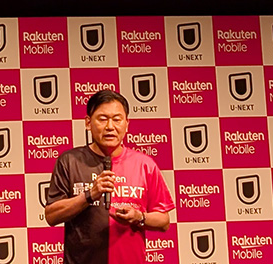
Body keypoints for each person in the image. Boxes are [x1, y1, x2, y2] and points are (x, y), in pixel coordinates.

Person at [44, 89, 175, 264]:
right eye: (103, 119)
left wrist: (138, 217)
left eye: (117, 119)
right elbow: (51, 216)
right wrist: (89, 195)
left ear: (127, 124)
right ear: (88, 123)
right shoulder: (69, 161)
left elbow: (164, 221)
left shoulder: (145, 164)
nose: (110, 127)